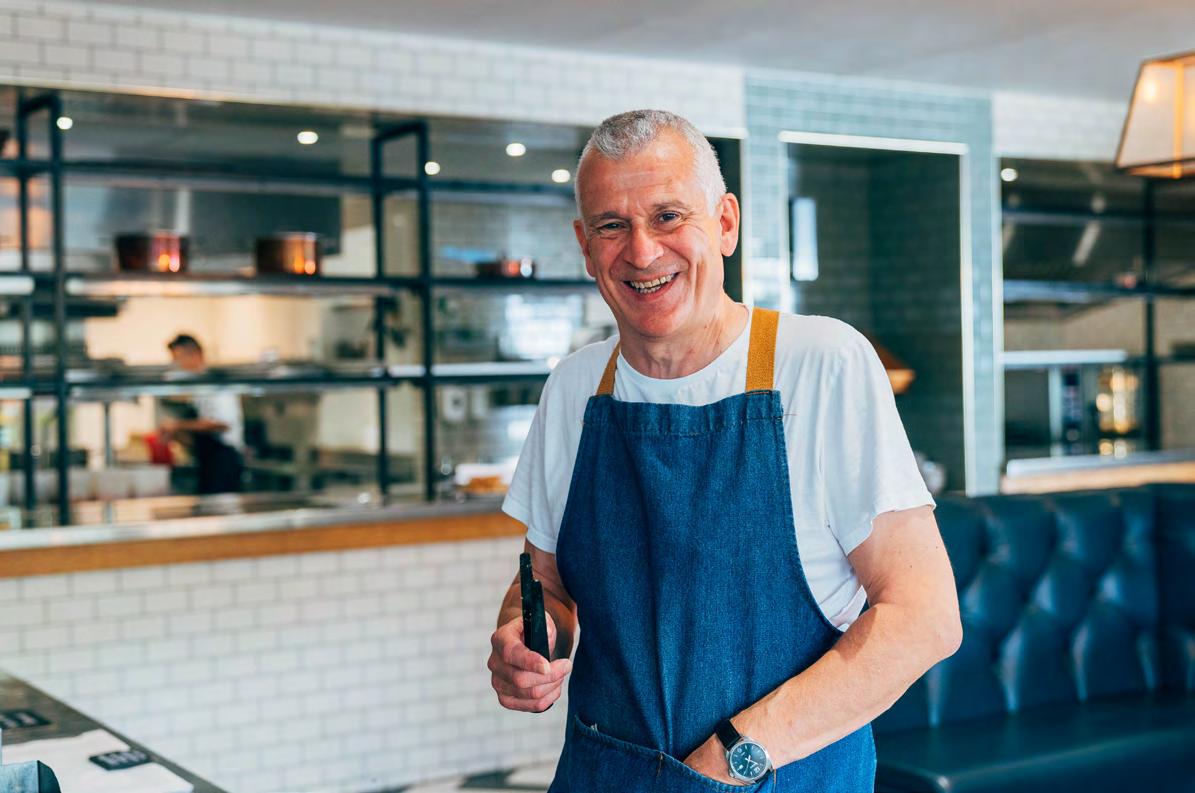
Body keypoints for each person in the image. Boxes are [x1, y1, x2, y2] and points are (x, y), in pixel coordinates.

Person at [487, 110, 962, 791]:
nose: (642, 251)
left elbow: (923, 617)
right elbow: (546, 583)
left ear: (726, 223)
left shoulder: (821, 363)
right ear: (586, 248)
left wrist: (735, 754)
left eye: (668, 216)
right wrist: (530, 639)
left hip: (774, 778)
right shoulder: (574, 387)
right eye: (612, 225)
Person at [161, 334, 244, 495]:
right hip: (209, 460)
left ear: (195, 354)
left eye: (178, 359)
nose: (176, 365)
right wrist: (178, 434)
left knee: (221, 508)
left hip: (224, 461)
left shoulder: (217, 383)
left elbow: (221, 424)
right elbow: (201, 429)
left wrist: (177, 425)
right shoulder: (200, 386)